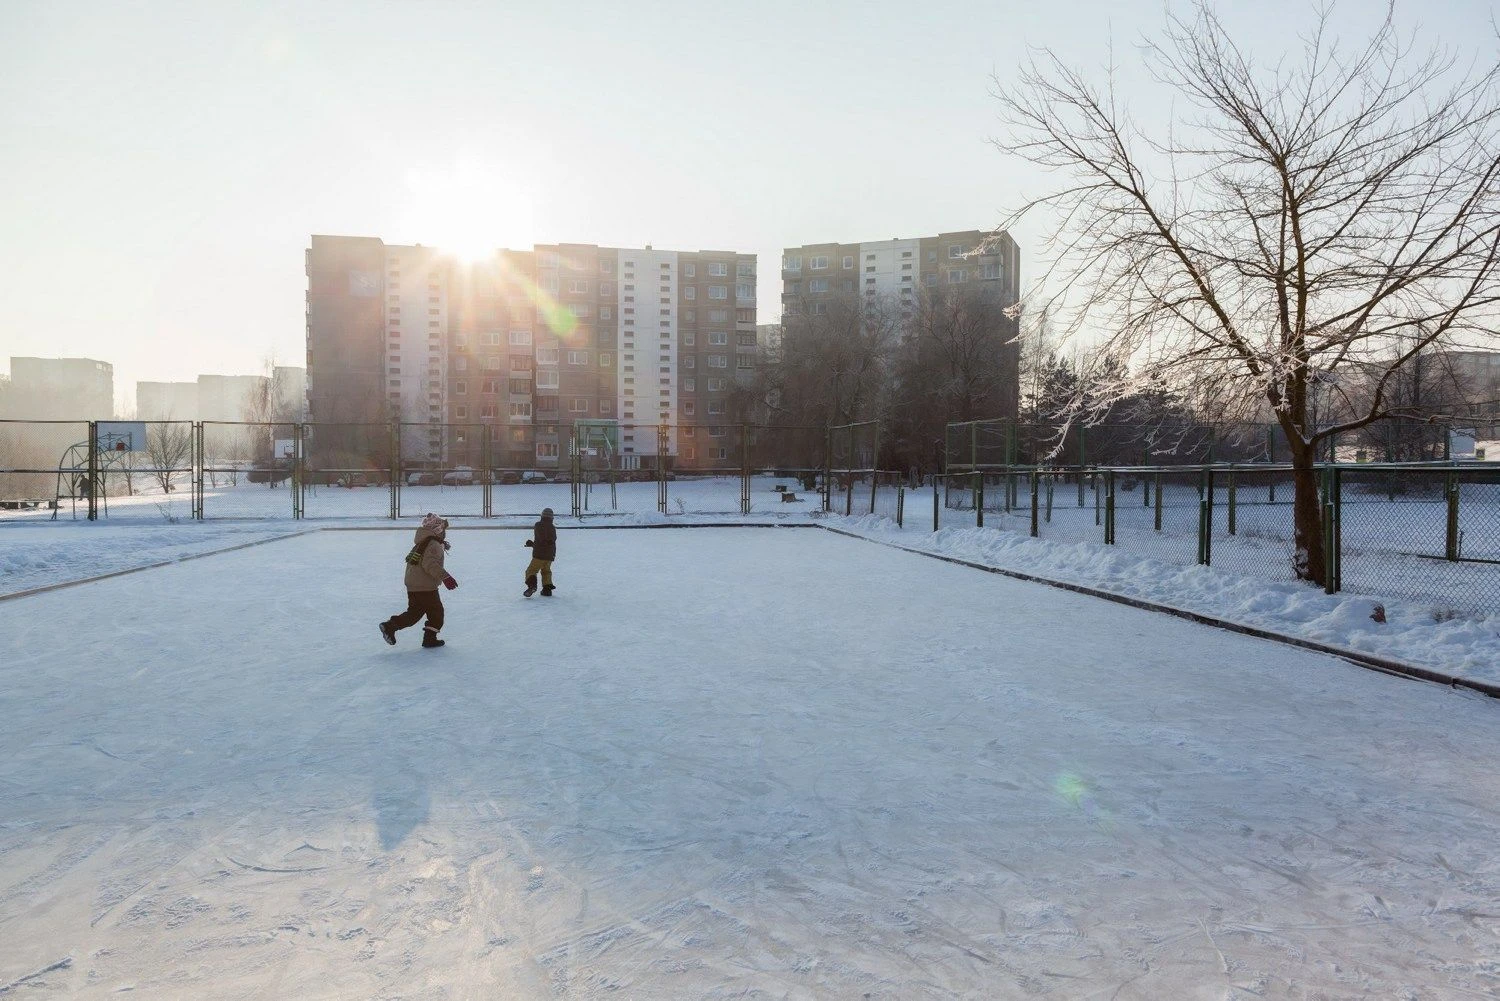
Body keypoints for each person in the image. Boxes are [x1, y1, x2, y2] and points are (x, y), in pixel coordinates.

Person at [379, 512, 458, 647]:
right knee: (436, 613)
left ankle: (390, 626)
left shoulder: (424, 541)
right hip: (425, 587)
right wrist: (445, 577)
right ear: (437, 531)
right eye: (443, 530)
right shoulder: (433, 544)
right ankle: (429, 639)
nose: (445, 533)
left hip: (414, 585)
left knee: (414, 614)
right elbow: (430, 564)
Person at [523, 507, 557, 597]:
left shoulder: (538, 525)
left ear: (542, 516)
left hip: (539, 555)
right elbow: (549, 541)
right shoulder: (552, 527)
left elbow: (542, 540)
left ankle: (532, 586)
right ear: (552, 518)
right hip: (550, 555)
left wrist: (533, 544)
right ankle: (547, 589)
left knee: (531, 570)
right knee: (546, 571)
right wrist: (533, 544)